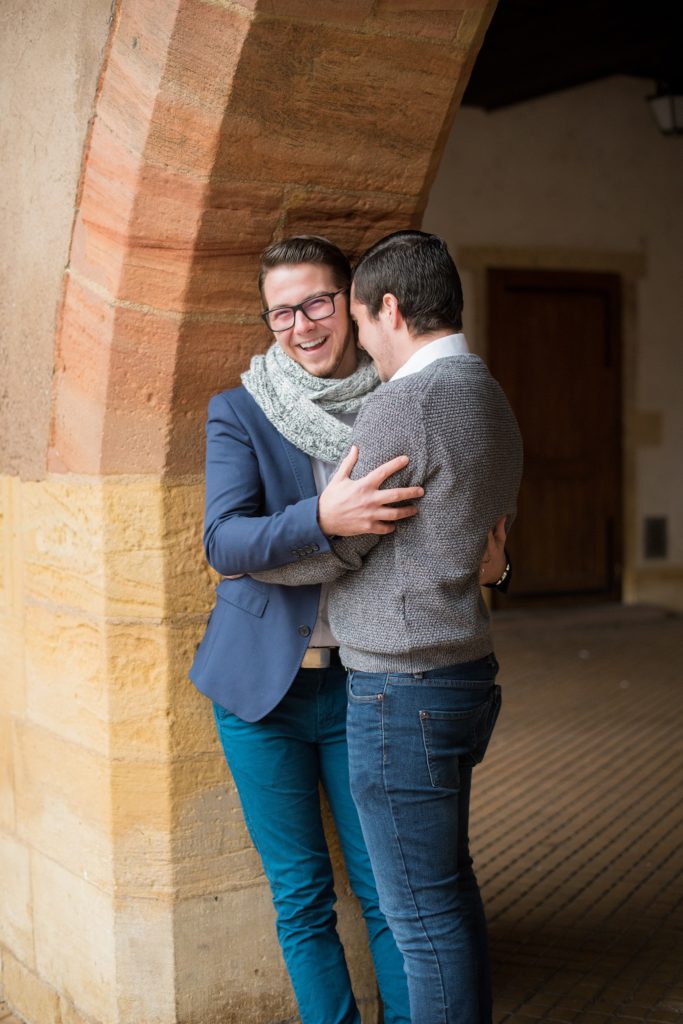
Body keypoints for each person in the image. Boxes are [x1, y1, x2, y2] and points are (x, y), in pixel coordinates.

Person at [190, 234, 507, 1024]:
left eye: (318, 302)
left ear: (361, 305)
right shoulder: (239, 409)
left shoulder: (406, 397)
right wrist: (317, 518)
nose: (300, 324)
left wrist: (497, 568)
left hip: (374, 685)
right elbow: (222, 541)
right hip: (261, 690)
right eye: (280, 313)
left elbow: (473, 532)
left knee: (390, 895)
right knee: (301, 898)